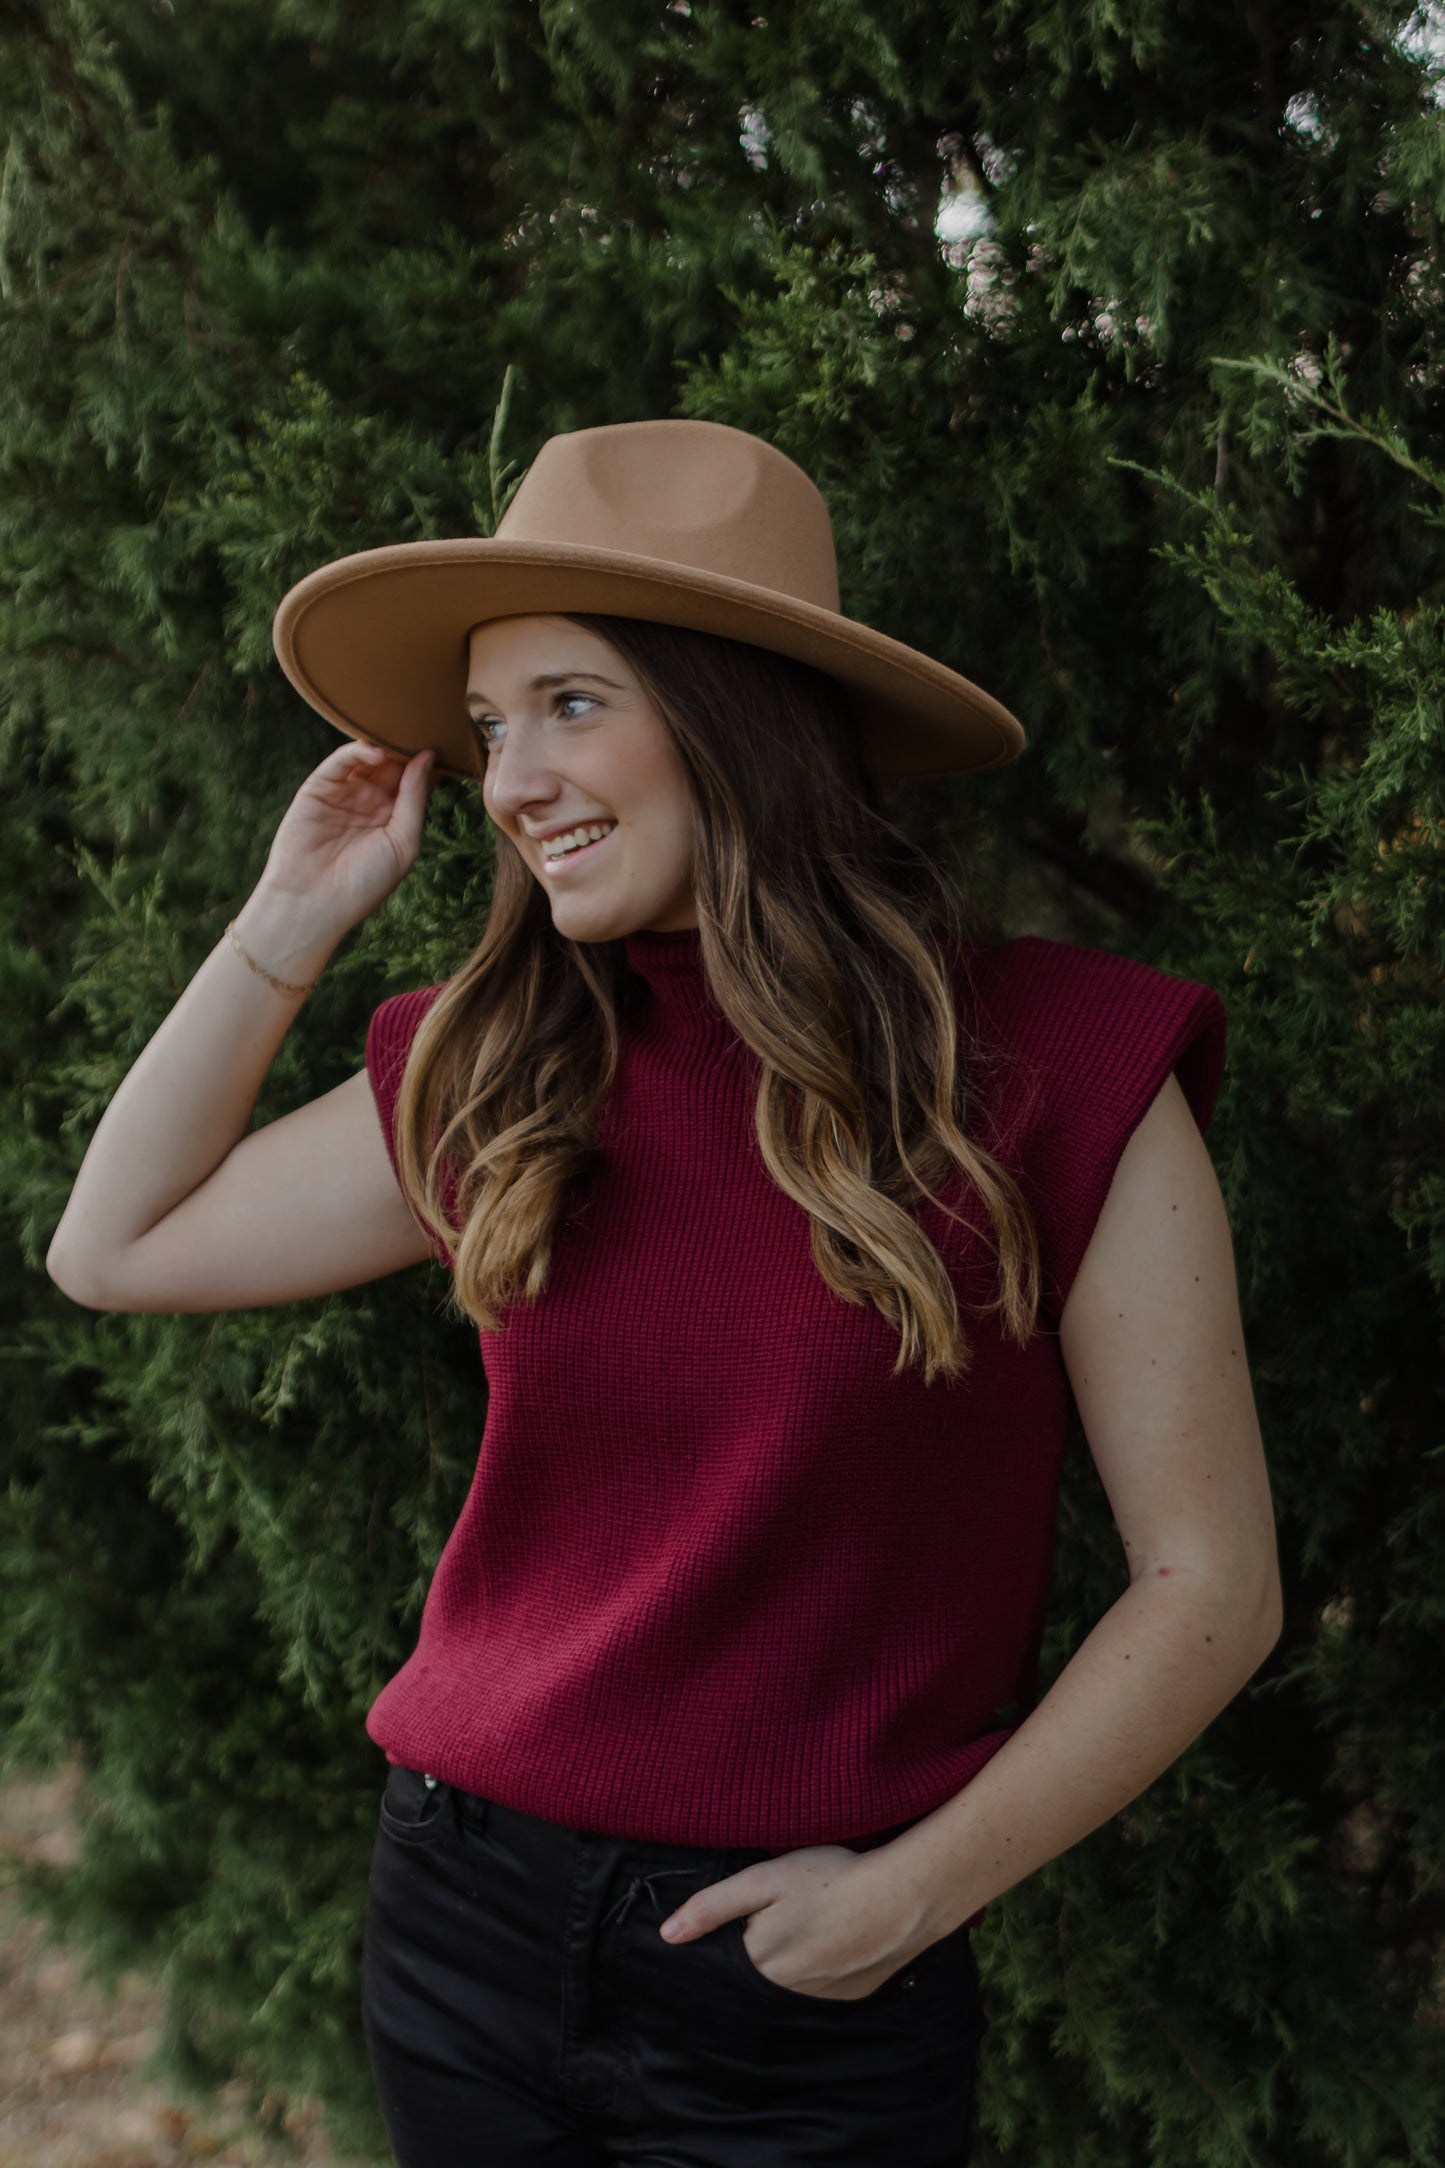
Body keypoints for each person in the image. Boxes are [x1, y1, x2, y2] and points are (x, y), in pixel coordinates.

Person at [46, 419, 1284, 2167]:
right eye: (485, 727)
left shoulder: (1064, 1067)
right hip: (461, 1925)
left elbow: (1210, 1580)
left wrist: (914, 1897)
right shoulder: (505, 1063)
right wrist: (285, 922)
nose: (506, 779)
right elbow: (113, 1249)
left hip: (805, 1995)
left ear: (739, 718)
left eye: (569, 704)